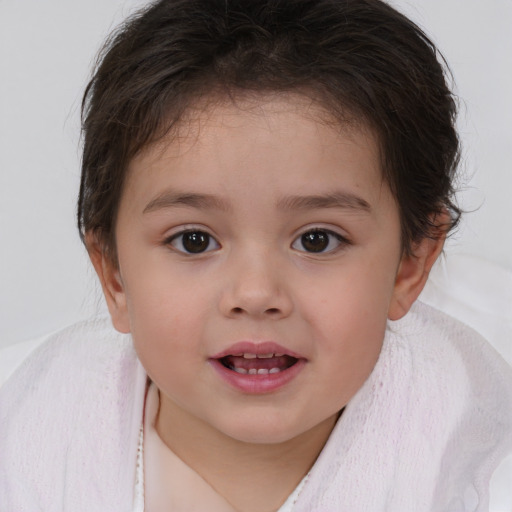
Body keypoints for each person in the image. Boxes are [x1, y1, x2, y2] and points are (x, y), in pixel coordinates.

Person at [1, 0, 511, 510]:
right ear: (114, 276)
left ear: (410, 265)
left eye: (317, 239)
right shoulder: (28, 438)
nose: (256, 293)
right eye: (193, 240)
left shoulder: (476, 467)